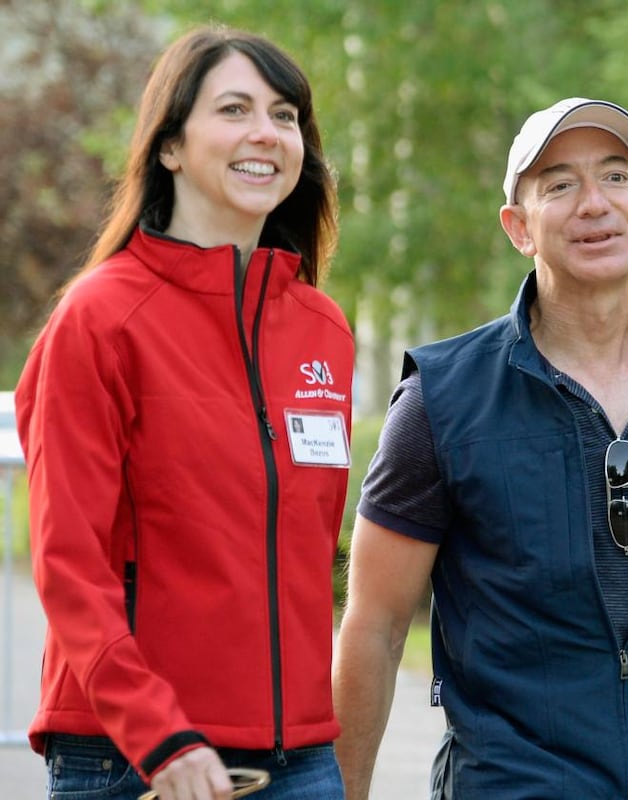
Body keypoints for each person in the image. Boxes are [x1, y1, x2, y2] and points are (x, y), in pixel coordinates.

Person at [332, 97, 628, 799]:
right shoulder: (443, 397)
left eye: (616, 177)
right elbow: (376, 626)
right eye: (560, 184)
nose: (595, 203)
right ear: (518, 228)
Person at [15, 25, 354, 800]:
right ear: (169, 145)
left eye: (284, 115)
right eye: (234, 110)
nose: (266, 133)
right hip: (137, 756)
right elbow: (69, 561)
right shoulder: (101, 319)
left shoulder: (323, 329)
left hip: (300, 757)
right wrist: (157, 734)